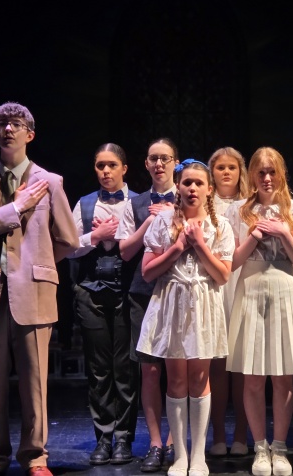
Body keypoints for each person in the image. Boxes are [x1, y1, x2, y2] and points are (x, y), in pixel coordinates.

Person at [0, 102, 78, 476]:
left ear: (30, 133)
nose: (8, 129)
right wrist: (15, 208)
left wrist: (40, 263)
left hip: (34, 288)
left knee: (34, 377)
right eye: (1, 123)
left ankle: (35, 455)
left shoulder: (49, 182)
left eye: (15, 123)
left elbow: (68, 239)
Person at [136, 159, 235, 476]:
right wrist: (178, 247)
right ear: (178, 186)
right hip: (172, 301)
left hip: (203, 302)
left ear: (209, 189)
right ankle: (179, 455)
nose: (192, 188)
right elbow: (147, 271)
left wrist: (200, 245)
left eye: (199, 183)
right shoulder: (164, 221)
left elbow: (223, 276)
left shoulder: (220, 225)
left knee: (200, 379)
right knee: (176, 379)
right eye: (187, 182)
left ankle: (198, 455)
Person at [225, 147, 293, 476]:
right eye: (260, 172)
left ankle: (280, 447)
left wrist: (284, 233)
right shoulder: (238, 211)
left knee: (284, 376)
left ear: (281, 173)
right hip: (251, 289)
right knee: (253, 376)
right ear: (252, 176)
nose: (267, 178)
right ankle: (260, 447)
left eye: (272, 171)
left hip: (284, 289)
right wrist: (255, 235)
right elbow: (232, 262)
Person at [69, 143, 139, 465]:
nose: (106, 171)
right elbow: (69, 247)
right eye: (100, 165)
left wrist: (120, 233)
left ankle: (124, 438)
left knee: (125, 367)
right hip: (91, 290)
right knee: (98, 369)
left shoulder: (138, 202)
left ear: (124, 168)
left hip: (126, 291)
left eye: (112, 165)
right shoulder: (84, 204)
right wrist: (95, 237)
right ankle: (104, 437)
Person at [116, 138, 177, 472]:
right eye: (153, 158)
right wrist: (149, 223)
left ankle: (175, 441)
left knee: (178, 370)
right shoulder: (135, 203)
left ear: (175, 162)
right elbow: (125, 251)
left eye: (165, 158)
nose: (159, 164)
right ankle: (155, 442)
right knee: (150, 370)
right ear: (146, 164)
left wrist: (171, 215)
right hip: (143, 292)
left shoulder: (188, 196)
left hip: (180, 291)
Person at [207, 147, 249, 457]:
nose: (226, 172)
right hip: (216, 283)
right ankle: (218, 433)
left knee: (244, 365)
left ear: (240, 171)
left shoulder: (251, 205)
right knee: (218, 364)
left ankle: (242, 435)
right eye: (220, 167)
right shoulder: (204, 205)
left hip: (243, 283)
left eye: (231, 167)